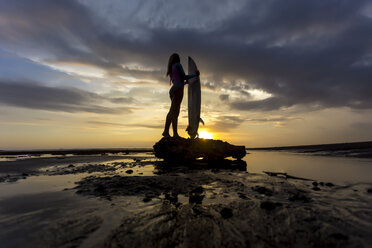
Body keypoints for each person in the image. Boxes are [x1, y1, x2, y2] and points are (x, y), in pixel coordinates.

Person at [162, 53, 200, 138]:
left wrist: (185, 83)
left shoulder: (171, 68)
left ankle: (175, 134)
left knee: (175, 112)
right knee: (173, 112)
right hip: (178, 90)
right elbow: (184, 76)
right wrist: (195, 75)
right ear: (177, 59)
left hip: (173, 90)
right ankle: (166, 132)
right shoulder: (178, 65)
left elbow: (178, 80)